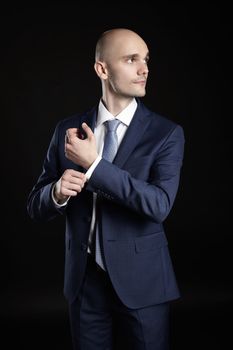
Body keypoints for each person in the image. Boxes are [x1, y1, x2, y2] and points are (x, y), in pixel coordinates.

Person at [27, 28, 185, 350]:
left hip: (144, 284)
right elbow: (35, 204)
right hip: (84, 284)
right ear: (102, 69)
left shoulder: (166, 134)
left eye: (146, 60)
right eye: (131, 60)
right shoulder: (66, 130)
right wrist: (56, 192)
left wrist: (95, 165)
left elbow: (159, 205)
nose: (145, 69)